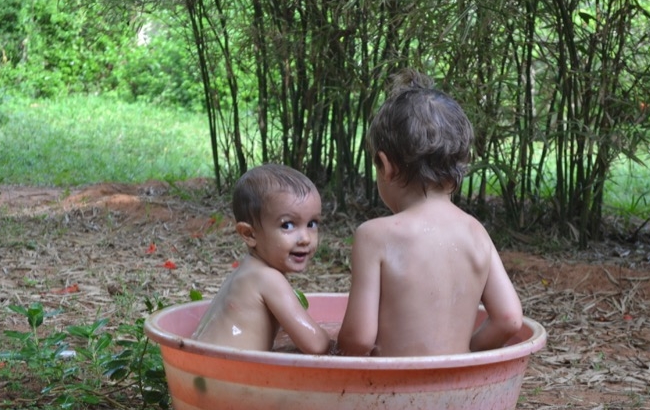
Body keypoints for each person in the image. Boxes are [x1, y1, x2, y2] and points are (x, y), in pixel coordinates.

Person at [336, 69, 523, 356]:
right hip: (456, 381)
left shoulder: (374, 236)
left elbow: (359, 340)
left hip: (390, 382)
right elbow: (509, 319)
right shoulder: (476, 232)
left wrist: (331, 351)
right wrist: (465, 353)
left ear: (386, 166)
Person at [192, 163, 332, 354]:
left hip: (200, 366)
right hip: (227, 372)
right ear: (249, 234)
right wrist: (337, 345)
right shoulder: (267, 278)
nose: (305, 238)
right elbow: (316, 345)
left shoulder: (246, 272)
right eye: (288, 225)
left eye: (312, 223)